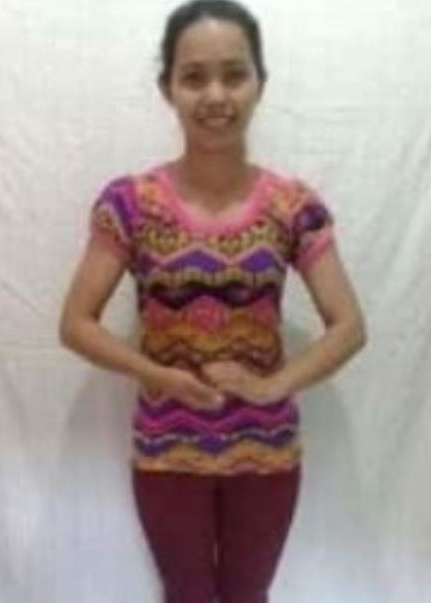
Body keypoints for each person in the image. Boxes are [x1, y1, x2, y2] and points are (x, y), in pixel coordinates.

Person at [59, 1, 367, 602]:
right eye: (194, 77)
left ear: (260, 84)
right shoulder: (131, 204)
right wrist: (157, 376)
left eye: (234, 74)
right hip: (167, 451)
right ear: (167, 89)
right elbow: (75, 323)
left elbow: (349, 326)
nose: (216, 95)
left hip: (267, 452)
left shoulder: (292, 207)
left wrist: (273, 386)